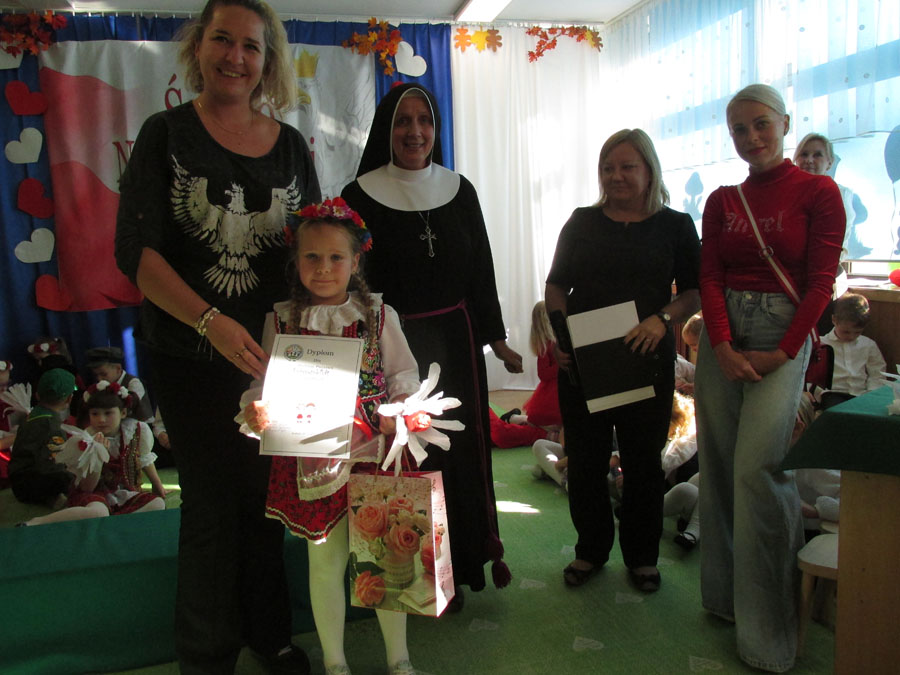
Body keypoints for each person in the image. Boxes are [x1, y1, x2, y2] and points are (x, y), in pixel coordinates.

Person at [114, 0, 321, 671]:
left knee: (267, 498)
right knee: (209, 505)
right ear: (198, 46)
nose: (236, 57)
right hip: (189, 354)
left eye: (251, 46)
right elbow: (136, 253)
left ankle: (270, 633)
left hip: (275, 359)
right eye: (222, 40)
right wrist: (210, 320)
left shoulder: (291, 146)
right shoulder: (165, 134)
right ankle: (206, 654)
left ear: (268, 61)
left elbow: (314, 250)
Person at [341, 83, 520, 603]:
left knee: (460, 452)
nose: (415, 131)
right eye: (403, 120)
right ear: (387, 128)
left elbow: (481, 269)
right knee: (409, 457)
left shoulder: (460, 190)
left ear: (436, 129)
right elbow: (355, 283)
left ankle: (463, 564)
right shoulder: (358, 196)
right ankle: (416, 574)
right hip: (395, 349)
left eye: (425, 120)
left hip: (457, 344)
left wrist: (497, 339)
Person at [695, 84, 845, 672]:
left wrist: (783, 352)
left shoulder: (819, 191)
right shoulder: (721, 199)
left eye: (761, 124)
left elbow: (821, 282)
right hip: (723, 333)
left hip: (784, 331)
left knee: (759, 470)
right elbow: (709, 276)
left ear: (785, 122)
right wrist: (722, 345)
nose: (751, 137)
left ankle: (769, 632)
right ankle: (725, 599)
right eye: (739, 129)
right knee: (718, 466)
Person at [238, 199, 421, 675]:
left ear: (356, 261)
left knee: (386, 555)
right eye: (312, 257)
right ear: (296, 261)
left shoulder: (379, 315)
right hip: (313, 457)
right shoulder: (280, 321)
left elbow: (403, 375)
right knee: (325, 561)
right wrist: (258, 407)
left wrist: (399, 410)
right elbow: (263, 384)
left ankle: (399, 658)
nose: (323, 268)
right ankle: (335, 663)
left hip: (375, 452)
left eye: (336, 257)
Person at [545, 128, 701, 593]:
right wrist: (562, 336)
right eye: (608, 167)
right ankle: (590, 549)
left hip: (646, 359)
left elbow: (693, 292)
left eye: (627, 166)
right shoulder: (581, 221)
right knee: (585, 461)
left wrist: (663, 319)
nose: (616, 175)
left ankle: (642, 557)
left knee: (643, 464)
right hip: (584, 361)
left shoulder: (676, 225)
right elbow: (557, 285)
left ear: (649, 170)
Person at [21, 380, 167, 526]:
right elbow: (87, 487)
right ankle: (37, 523)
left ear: (123, 413)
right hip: (95, 494)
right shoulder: (85, 439)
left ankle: (110, 523)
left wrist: (157, 484)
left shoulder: (137, 430)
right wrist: (97, 454)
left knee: (157, 504)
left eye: (108, 413)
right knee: (98, 513)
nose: (101, 420)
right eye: (95, 414)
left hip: (125, 492)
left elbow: (144, 458)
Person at [8, 369, 76, 510]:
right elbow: (52, 465)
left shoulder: (32, 416)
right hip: (32, 487)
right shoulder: (53, 426)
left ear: (37, 395)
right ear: (69, 399)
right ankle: (53, 498)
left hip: (18, 483)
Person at [794, 132, 870, 260]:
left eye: (817, 155)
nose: (809, 160)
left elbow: (837, 244)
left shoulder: (842, 195)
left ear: (830, 162)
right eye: (804, 154)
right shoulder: (788, 194)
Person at [818, 292, 887, 409]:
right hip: (832, 394)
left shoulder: (868, 345)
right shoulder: (821, 344)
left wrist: (872, 394)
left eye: (857, 332)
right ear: (834, 320)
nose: (851, 336)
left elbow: (877, 373)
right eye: (846, 332)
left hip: (860, 395)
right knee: (837, 411)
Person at [84, 346, 154, 423]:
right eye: (96, 375)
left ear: (118, 368)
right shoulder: (101, 386)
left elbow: (129, 405)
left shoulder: (133, 383)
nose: (99, 379)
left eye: (103, 374)